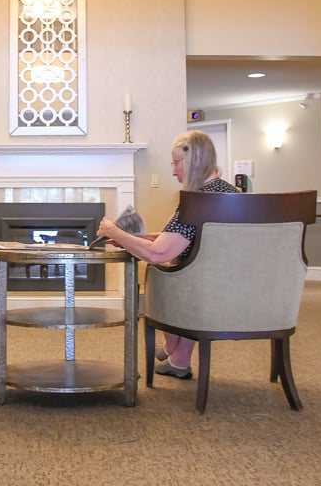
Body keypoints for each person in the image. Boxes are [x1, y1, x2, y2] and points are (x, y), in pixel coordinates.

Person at [97, 130, 238, 380]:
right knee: (184, 269)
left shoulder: (196, 200)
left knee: (160, 271)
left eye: (176, 163)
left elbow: (159, 253)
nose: (173, 171)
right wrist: (131, 239)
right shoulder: (233, 195)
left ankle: (175, 350)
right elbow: (184, 241)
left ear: (193, 159)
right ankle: (177, 357)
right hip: (229, 288)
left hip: (201, 295)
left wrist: (114, 231)